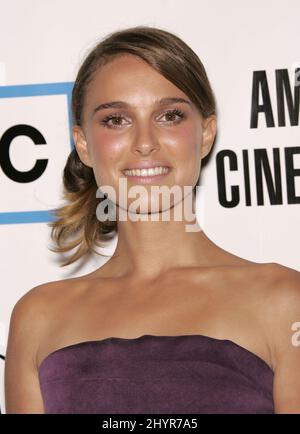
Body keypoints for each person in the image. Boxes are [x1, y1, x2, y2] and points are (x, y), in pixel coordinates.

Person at [4, 25, 300, 414]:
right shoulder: (37, 317)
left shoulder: (284, 301)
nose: (145, 141)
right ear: (83, 145)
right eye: (116, 120)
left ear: (207, 134)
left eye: (170, 115)